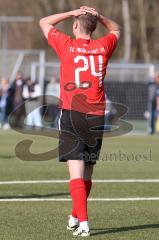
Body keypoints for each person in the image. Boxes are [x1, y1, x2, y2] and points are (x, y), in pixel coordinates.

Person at [40, 6, 120, 237]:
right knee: (87, 175)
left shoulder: (66, 44)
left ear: (76, 26)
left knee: (76, 172)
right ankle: (75, 216)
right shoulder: (103, 46)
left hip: (72, 114)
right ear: (94, 28)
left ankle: (84, 223)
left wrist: (72, 11)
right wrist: (99, 17)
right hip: (96, 116)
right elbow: (116, 28)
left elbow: (45, 22)